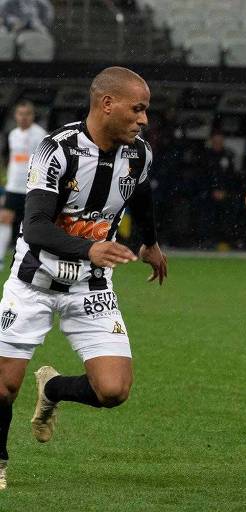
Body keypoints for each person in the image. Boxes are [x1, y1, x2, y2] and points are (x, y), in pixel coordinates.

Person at [0, 66, 168, 491]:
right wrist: (91, 247)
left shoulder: (139, 154)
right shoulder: (57, 150)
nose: (143, 119)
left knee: (113, 391)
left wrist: (149, 242)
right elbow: (35, 227)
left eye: (145, 111)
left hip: (90, 286)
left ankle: (53, 388)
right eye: (138, 109)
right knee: (3, 386)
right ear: (106, 104)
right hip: (33, 284)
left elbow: (142, 192)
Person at [0, 100, 47, 263]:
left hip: (31, 187)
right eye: (20, 114)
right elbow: (12, 160)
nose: (23, 118)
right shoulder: (13, 134)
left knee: (30, 224)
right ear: (15, 116)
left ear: (33, 116)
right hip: (13, 186)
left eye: (27, 114)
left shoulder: (40, 135)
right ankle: (0, 257)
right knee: (5, 218)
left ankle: (31, 258)